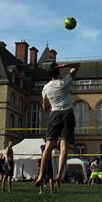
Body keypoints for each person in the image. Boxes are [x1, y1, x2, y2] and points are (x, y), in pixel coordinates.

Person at [34, 61, 80, 190]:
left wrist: (44, 99)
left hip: (54, 115)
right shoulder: (64, 82)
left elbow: (45, 108)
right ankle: (59, 176)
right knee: (64, 147)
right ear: (58, 71)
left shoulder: (46, 88)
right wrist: (65, 65)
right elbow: (77, 66)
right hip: (67, 114)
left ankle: (40, 175)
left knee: (48, 147)